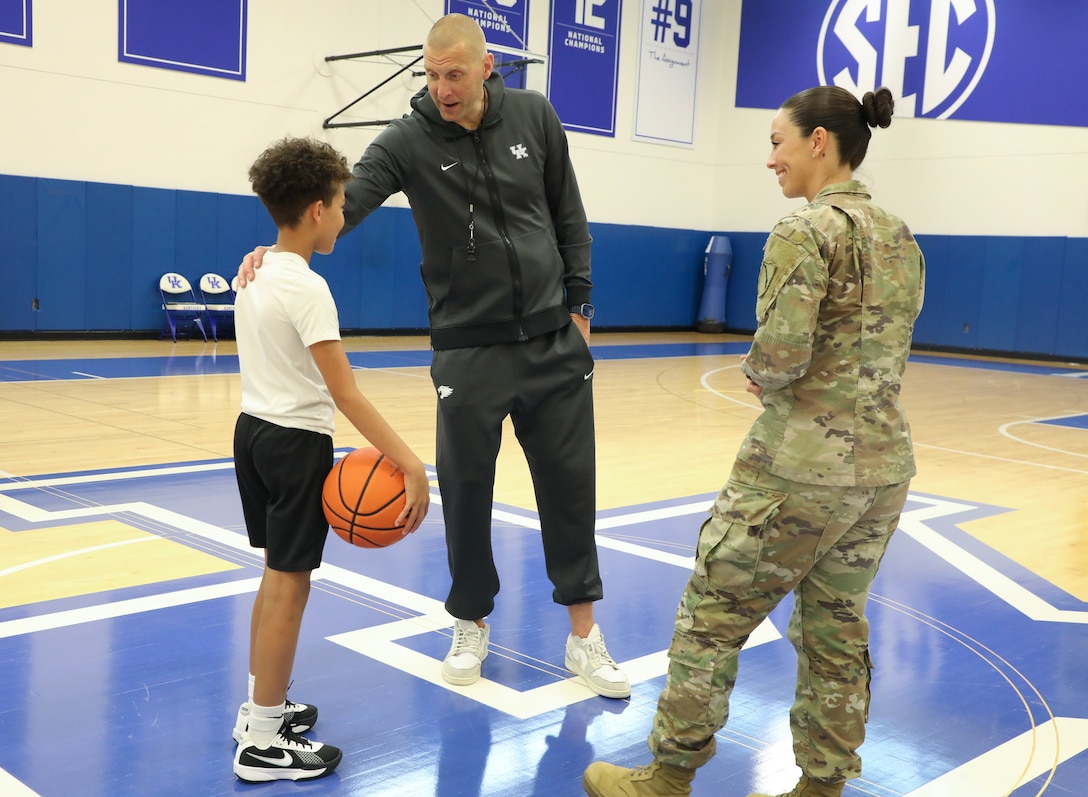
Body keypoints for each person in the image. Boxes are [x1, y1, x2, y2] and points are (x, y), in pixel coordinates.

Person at [238, 13, 629, 699]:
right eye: (431, 74)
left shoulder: (536, 118)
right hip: (467, 349)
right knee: (467, 492)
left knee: (571, 490)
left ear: (484, 69)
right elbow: (341, 203)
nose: (441, 87)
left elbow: (570, 215)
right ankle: (469, 620)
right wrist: (280, 245)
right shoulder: (408, 140)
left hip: (550, 343)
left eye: (453, 73)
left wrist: (581, 310)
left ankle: (585, 635)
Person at [582, 85, 925, 797]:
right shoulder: (900, 234)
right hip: (882, 470)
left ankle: (668, 776)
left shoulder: (803, 232)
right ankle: (822, 785)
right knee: (836, 630)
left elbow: (780, 358)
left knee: (710, 617)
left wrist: (757, 370)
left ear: (819, 142)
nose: (771, 159)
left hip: (798, 469)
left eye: (778, 141)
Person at [231, 136, 430, 782]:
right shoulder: (308, 287)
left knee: (274, 576)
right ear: (317, 209)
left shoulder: (253, 273)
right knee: (292, 586)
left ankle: (260, 705)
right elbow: (344, 392)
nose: (346, 215)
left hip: (253, 432)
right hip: (294, 444)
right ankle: (262, 739)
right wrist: (410, 462)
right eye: (343, 204)